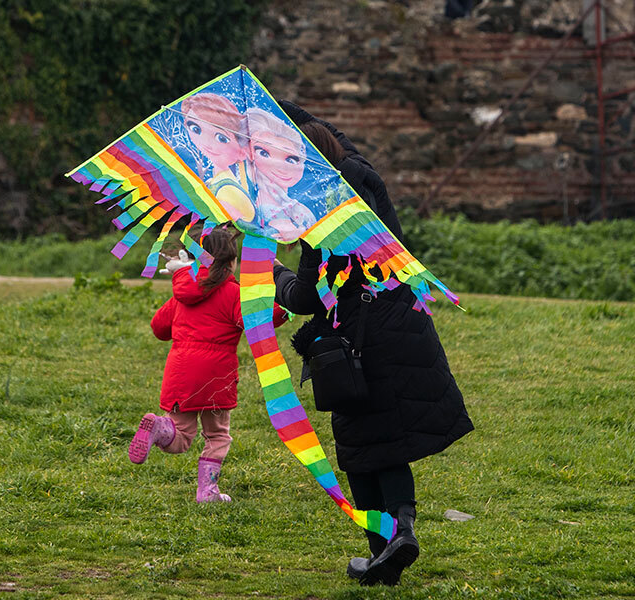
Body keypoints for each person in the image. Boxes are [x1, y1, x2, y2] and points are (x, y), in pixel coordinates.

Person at [273, 102, 474, 586]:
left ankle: (381, 550)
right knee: (389, 440)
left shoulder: (318, 215)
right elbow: (330, 132)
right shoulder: (359, 173)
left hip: (354, 340)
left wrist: (273, 274)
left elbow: (305, 298)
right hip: (402, 322)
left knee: (361, 448)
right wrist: (273, 105)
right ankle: (402, 529)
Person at [129, 227, 288, 503]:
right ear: (231, 262)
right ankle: (207, 491)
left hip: (180, 375)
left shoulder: (182, 293)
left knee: (181, 436)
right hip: (216, 378)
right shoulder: (233, 293)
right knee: (217, 436)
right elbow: (255, 322)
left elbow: (158, 327)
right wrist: (285, 308)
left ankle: (160, 427)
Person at [244, 107, 316, 242]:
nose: (278, 165)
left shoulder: (302, 212)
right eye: (263, 153)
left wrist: (300, 232)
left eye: (291, 159)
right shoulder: (246, 204)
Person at [181, 93, 256, 222]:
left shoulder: (226, 189)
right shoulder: (217, 180)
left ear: (242, 151)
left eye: (222, 138)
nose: (206, 143)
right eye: (196, 129)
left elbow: (240, 222)